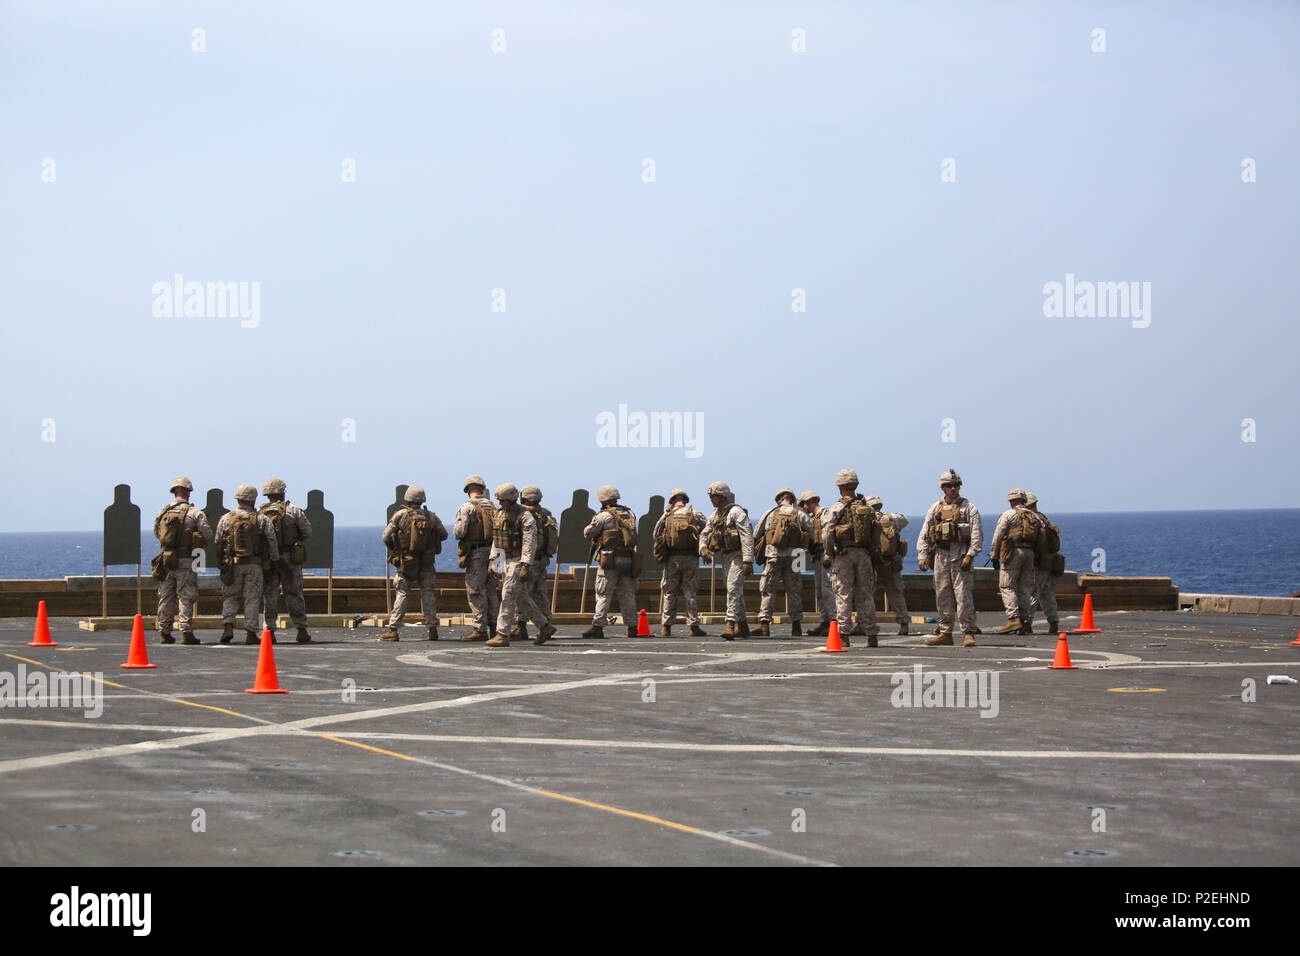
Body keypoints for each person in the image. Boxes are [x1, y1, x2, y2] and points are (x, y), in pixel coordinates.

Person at [916, 469, 983, 647]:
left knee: (963, 595)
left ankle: (968, 631)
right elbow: (925, 532)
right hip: (941, 557)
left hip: (960, 556)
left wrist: (970, 554)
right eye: (950, 486)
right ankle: (945, 632)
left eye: (956, 485)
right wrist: (922, 555)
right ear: (943, 488)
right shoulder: (935, 508)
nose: (954, 489)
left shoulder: (969, 508)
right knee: (943, 594)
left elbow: (976, 535)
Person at [489, 484, 558, 647]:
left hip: (519, 561)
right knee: (521, 597)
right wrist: (494, 560)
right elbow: (498, 538)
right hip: (507, 560)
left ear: (511, 500)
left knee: (507, 596)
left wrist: (525, 564)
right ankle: (544, 626)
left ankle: (502, 634)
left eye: (503, 501)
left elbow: (529, 541)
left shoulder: (525, 516)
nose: (500, 504)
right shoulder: (501, 514)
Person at [379, 485, 448, 642]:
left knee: (402, 594)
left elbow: (385, 536)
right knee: (428, 594)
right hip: (427, 562)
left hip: (406, 562)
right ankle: (432, 629)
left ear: (407, 499)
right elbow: (443, 534)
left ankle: (393, 630)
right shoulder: (431, 517)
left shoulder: (400, 516)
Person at [821, 469, 879, 647]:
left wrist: (830, 553)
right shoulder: (867, 508)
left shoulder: (837, 508)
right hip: (864, 555)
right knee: (866, 595)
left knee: (843, 594)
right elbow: (876, 532)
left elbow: (827, 534)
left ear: (840, 487)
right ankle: (871, 635)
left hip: (844, 554)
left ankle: (844, 634)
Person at [152, 476, 212, 645]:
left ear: (174, 492)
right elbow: (207, 534)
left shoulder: (163, 512)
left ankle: (164, 632)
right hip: (186, 559)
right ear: (188, 492)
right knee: (186, 596)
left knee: (165, 596)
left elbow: (157, 532)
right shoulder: (195, 513)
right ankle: (186, 632)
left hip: (166, 559)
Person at [216, 484, 278, 644]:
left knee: (230, 596)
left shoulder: (226, 518)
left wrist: (222, 563)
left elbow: (218, 542)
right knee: (252, 598)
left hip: (233, 564)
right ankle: (251, 633)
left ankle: (228, 626)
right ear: (253, 499)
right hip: (254, 565)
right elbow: (271, 540)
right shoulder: (260, 519)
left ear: (237, 498)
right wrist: (273, 560)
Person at [581, 485, 640, 639]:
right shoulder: (628, 514)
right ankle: (633, 627)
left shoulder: (604, 516)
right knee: (627, 594)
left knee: (603, 594)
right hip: (628, 558)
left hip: (609, 559)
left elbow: (588, 533)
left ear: (603, 500)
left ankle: (598, 626)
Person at [259, 478, 314, 643]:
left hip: (269, 559)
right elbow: (307, 531)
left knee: (270, 595)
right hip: (289, 557)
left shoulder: (260, 513)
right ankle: (301, 629)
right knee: (294, 593)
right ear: (282, 492)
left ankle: (269, 632)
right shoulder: (293, 510)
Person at [700, 481, 753, 640]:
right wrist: (703, 548)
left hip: (737, 555)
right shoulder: (716, 515)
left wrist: (748, 561)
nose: (711, 499)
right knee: (734, 590)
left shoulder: (737, 513)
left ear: (721, 496)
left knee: (732, 588)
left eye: (713, 496)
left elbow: (747, 536)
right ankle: (743, 626)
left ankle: (730, 624)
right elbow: (704, 533)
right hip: (726, 557)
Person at [653, 488, 708, 637]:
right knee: (690, 592)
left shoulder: (666, 515)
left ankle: (666, 627)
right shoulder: (694, 514)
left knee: (669, 592)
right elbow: (708, 529)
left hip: (672, 559)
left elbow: (656, 534)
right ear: (685, 500)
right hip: (690, 558)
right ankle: (693, 626)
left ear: (671, 501)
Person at [755, 488, 810, 636]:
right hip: (796, 556)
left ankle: (765, 625)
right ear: (792, 500)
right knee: (795, 591)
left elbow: (756, 533)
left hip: (774, 554)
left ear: (778, 500)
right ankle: (796, 626)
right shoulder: (800, 514)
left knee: (768, 590)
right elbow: (809, 533)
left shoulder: (770, 513)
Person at [453, 475, 500, 641]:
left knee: (475, 590)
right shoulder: (494, 507)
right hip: (496, 551)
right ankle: (495, 627)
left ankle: (480, 628)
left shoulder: (467, 507)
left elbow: (459, 532)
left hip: (477, 552)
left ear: (467, 490)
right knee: (491, 590)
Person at [988, 488, 1040, 636]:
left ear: (1011, 501)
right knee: (1025, 588)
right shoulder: (1034, 517)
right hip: (1030, 554)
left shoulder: (1008, 515)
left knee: (1007, 585)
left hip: (1013, 553)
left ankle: (1013, 618)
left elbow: (998, 535)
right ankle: (1025, 621)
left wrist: (994, 555)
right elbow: (1041, 536)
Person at [515, 485, 557, 641]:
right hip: (543, 559)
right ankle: (546, 621)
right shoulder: (546, 514)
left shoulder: (523, 514)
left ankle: (522, 626)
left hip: (528, 561)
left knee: (523, 593)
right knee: (540, 593)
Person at [866, 494, 910, 636]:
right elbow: (905, 521)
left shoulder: (867, 520)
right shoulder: (891, 518)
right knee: (896, 594)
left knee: (866, 595)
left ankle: (864, 624)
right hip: (891, 563)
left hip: (874, 563)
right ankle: (903, 624)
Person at [1024, 492, 1063, 634]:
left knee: (1033, 592)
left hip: (1038, 562)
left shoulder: (1034, 521)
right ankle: (1053, 622)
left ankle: (1027, 622)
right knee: (1047, 594)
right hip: (1049, 562)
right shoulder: (1044, 519)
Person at [798, 490, 834, 636]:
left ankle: (833, 622)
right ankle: (825, 622)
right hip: (818, 557)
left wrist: (829, 555)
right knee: (819, 592)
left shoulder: (826, 514)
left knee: (828, 591)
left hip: (827, 557)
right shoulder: (813, 519)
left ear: (807, 504)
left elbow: (830, 535)